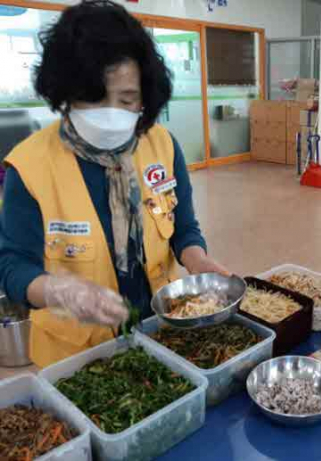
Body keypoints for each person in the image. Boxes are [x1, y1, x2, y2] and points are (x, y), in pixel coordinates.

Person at [0, 0, 228, 367]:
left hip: (163, 330)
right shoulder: (29, 167)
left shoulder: (162, 145)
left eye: (127, 99)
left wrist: (198, 260)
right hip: (77, 357)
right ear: (65, 93)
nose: (109, 115)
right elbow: (13, 265)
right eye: (92, 99)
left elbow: (183, 227)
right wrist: (58, 291)